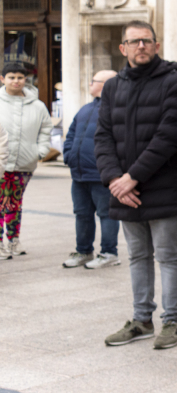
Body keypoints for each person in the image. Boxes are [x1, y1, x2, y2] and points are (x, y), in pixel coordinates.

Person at [96, 22, 177, 350]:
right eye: (134, 42)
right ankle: (141, 320)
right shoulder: (113, 86)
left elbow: (169, 135)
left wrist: (131, 178)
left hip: (162, 184)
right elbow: (103, 136)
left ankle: (172, 321)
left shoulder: (173, 80)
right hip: (125, 189)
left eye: (146, 41)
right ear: (123, 48)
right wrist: (113, 179)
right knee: (138, 255)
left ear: (156, 45)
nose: (141, 46)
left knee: (167, 254)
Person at [62, 70, 120, 269]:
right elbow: (70, 134)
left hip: (101, 174)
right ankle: (83, 251)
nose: (89, 84)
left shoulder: (117, 109)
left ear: (105, 84)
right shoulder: (85, 108)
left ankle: (109, 253)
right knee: (82, 213)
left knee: (106, 214)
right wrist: (68, 155)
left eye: (93, 81)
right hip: (79, 174)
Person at [0, 62, 51, 258]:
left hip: (24, 164)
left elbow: (46, 129)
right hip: (1, 163)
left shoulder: (37, 106)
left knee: (14, 203)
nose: (16, 81)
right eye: (11, 77)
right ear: (3, 79)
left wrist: (40, 151)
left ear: (26, 80)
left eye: (20, 77)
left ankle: (13, 240)